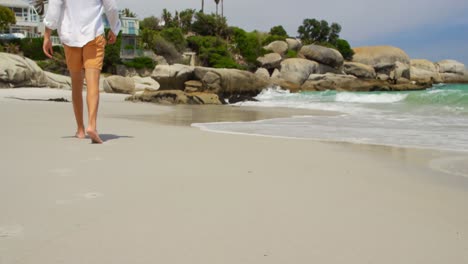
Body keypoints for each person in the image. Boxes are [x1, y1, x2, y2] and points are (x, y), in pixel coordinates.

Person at [43, 0, 121, 144]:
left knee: (76, 85)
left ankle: (80, 129)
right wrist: (114, 29)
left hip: (70, 36)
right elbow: (112, 7)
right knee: (93, 85)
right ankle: (92, 125)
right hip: (93, 35)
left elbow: (54, 7)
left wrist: (47, 35)